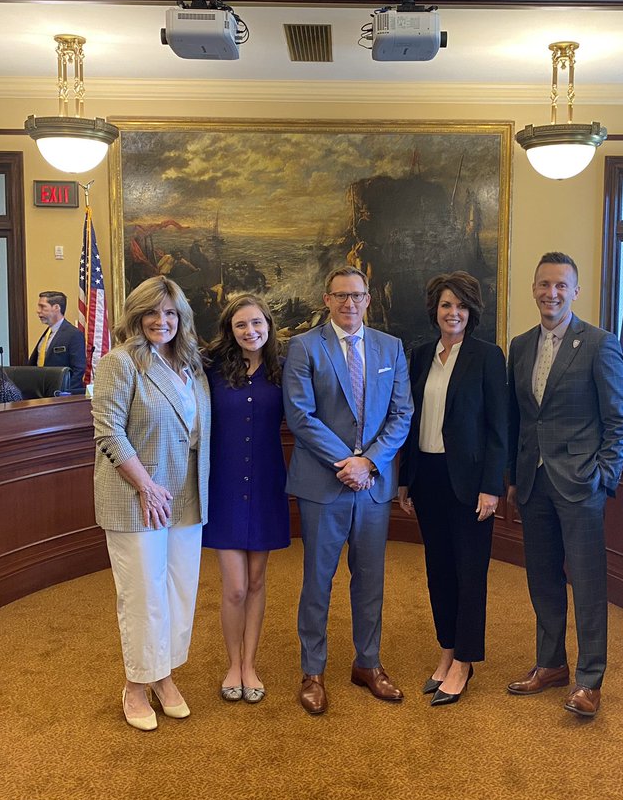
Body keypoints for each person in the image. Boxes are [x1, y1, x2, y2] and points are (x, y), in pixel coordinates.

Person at [505, 252, 623, 718]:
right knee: (541, 580)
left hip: (582, 486)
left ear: (575, 291)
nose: (551, 293)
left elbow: (621, 420)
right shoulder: (520, 346)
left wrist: (603, 477)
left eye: (561, 285)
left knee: (587, 584)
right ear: (534, 288)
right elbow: (519, 419)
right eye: (543, 284)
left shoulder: (599, 344)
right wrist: (514, 479)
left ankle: (589, 680)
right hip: (533, 484)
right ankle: (551, 663)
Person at [283, 266, 413, 716]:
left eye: (356, 296)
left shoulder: (390, 348)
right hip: (324, 484)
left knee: (370, 581)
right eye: (340, 296)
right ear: (326, 299)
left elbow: (401, 414)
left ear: (368, 300)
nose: (349, 303)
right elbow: (300, 416)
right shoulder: (302, 348)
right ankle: (312, 670)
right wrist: (347, 463)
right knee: (318, 581)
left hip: (372, 487)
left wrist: (369, 463)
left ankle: (368, 663)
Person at [91, 275, 210, 731]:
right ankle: (136, 686)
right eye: (152, 313)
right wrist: (145, 485)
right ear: (136, 317)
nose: (162, 321)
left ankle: (164, 676)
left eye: (170, 313)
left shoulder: (191, 365)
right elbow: (108, 432)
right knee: (143, 593)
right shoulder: (119, 363)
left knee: (180, 589)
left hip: (186, 494)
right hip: (137, 496)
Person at [397, 271, 507, 707]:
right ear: (435, 311)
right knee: (439, 571)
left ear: (472, 312)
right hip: (429, 480)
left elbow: (499, 428)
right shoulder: (421, 355)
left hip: (470, 484)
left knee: (469, 574)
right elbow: (409, 420)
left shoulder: (487, 356)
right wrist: (405, 478)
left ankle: (465, 662)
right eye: (446, 305)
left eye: (461, 306)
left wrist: (491, 487)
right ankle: (446, 652)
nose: (453, 313)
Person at [201, 293, 291, 705]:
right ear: (230, 330)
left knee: (257, 582)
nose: (250, 331)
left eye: (257, 323)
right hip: (224, 486)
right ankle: (231, 661)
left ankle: (248, 665)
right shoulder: (211, 370)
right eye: (241, 325)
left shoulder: (282, 369)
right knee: (234, 587)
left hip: (267, 483)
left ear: (268, 327)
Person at [29, 290, 87, 394]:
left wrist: (65, 392)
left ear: (56, 308)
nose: (38, 311)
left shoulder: (73, 334)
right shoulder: (47, 333)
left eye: (42, 307)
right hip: (41, 393)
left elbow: (79, 369)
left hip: (60, 396)